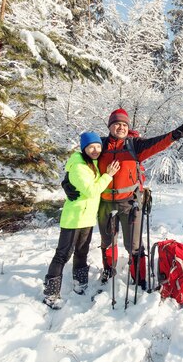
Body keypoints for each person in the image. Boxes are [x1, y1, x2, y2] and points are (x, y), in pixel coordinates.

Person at [64, 108, 183, 288]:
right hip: (104, 203)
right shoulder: (101, 145)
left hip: (129, 204)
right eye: (116, 124)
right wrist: (67, 181)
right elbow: (80, 161)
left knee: (134, 245)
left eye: (124, 124)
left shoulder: (134, 145)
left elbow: (156, 143)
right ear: (110, 126)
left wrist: (174, 135)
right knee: (107, 242)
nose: (121, 127)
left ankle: (139, 278)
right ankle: (109, 271)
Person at [43, 131, 120, 309]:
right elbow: (92, 191)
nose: (95, 150)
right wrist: (108, 175)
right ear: (83, 148)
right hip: (73, 219)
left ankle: (80, 283)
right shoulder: (78, 165)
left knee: (82, 252)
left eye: (98, 146)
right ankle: (51, 293)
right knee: (62, 255)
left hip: (87, 218)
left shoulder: (92, 162)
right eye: (91, 147)